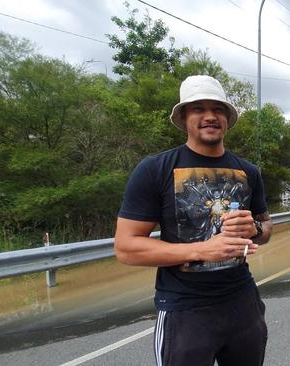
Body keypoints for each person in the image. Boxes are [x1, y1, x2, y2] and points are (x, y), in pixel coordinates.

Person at [115, 75, 273, 366]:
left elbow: (266, 229)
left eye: (218, 109)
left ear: (227, 118)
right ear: (184, 117)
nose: (210, 116)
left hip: (243, 303)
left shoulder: (249, 171)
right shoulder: (155, 169)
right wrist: (201, 251)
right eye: (198, 108)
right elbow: (126, 248)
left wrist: (255, 230)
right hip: (184, 309)